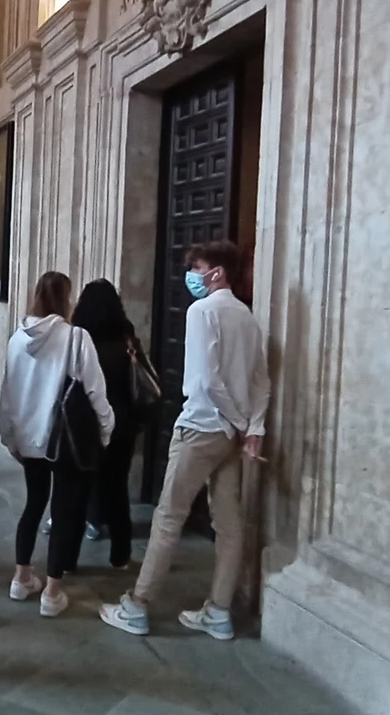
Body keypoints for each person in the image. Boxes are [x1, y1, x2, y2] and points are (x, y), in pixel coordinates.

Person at [99, 240, 269, 641]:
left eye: (198, 266)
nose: (192, 274)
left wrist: (240, 422)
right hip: (229, 435)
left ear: (217, 273)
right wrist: (251, 427)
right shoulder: (247, 315)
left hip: (201, 427)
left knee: (168, 517)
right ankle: (220, 611)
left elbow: (207, 381)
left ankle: (138, 605)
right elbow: (262, 379)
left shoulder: (202, 311)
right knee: (228, 523)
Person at [0, 272, 115, 617]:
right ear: (66, 298)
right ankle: (52, 592)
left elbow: (7, 393)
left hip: (29, 439)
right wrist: (105, 431)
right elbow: (95, 391)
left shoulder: (17, 338)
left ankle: (21, 578)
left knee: (33, 505)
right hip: (64, 440)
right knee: (63, 512)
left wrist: (9, 437)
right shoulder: (76, 337)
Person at [71, 279, 150, 570]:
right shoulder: (126, 334)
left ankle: (67, 558)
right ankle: (121, 555)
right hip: (123, 424)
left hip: (87, 424)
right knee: (118, 490)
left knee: (79, 490)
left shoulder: (79, 336)